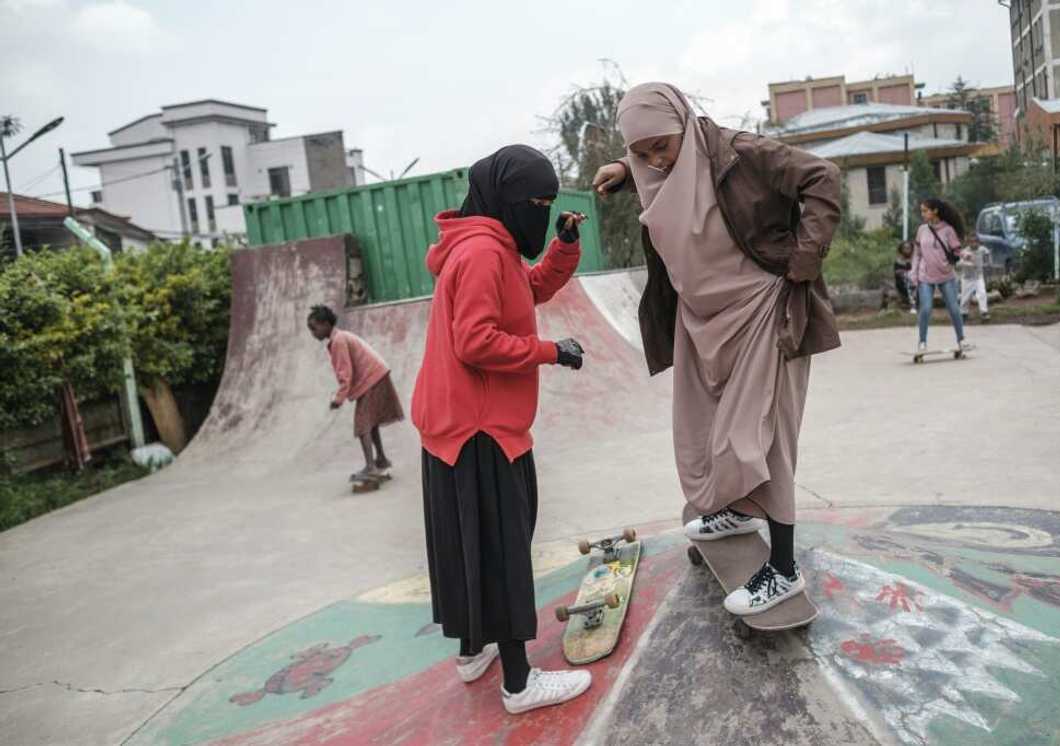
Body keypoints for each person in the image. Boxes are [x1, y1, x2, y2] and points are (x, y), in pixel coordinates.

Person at [592, 83, 842, 616]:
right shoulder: (657, 173)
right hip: (704, 320)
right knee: (704, 431)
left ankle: (784, 569)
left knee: (759, 439)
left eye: (662, 145)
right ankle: (736, 509)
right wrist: (625, 164)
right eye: (643, 153)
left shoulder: (742, 153)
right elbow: (658, 164)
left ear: (685, 120)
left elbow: (824, 177)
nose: (657, 160)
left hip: (762, 312)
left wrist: (806, 259)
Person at [411, 144, 592, 715]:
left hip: (456, 427)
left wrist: (562, 247)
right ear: (506, 198)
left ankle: (472, 651)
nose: (539, 212)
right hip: (481, 430)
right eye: (535, 203)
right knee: (506, 550)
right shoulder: (484, 254)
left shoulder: (492, 244)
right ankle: (519, 683)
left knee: (472, 545)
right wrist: (551, 352)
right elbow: (476, 341)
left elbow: (531, 289)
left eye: (547, 203)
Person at [307, 304, 403, 481]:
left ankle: (370, 467)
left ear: (326, 324)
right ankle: (380, 459)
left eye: (314, 328)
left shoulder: (338, 341)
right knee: (370, 422)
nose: (313, 333)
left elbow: (346, 373)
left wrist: (338, 398)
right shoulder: (340, 337)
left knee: (362, 425)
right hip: (377, 375)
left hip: (372, 379)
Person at [909, 198, 970, 353]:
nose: (922, 214)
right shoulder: (922, 230)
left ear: (935, 211)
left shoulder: (948, 230)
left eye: (925, 210)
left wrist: (965, 255)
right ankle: (922, 343)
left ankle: (961, 340)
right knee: (926, 309)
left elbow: (956, 250)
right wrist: (913, 272)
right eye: (921, 211)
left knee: (954, 309)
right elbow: (917, 253)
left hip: (946, 275)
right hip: (925, 276)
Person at [958, 232, 991, 323]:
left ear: (979, 242)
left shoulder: (982, 249)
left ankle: (984, 312)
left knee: (982, 293)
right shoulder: (965, 251)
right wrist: (968, 263)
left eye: (976, 242)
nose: (974, 244)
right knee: (965, 297)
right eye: (971, 242)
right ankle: (963, 313)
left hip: (978, 277)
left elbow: (987, 254)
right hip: (967, 278)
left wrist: (987, 262)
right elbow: (959, 263)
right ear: (968, 243)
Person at [894, 240, 917, 313]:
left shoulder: (915, 260)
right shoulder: (898, 260)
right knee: (909, 284)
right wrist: (906, 273)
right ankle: (913, 305)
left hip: (914, 281)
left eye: (909, 248)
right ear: (901, 249)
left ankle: (915, 304)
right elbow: (897, 273)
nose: (907, 250)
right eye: (905, 248)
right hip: (902, 283)